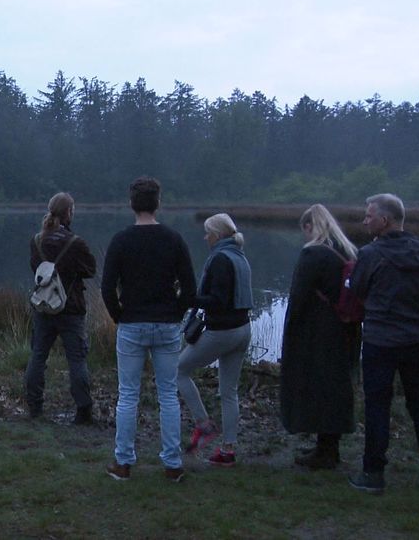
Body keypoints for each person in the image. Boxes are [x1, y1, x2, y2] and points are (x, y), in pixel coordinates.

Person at [347, 193, 419, 496]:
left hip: (380, 342)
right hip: (418, 342)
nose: (365, 220)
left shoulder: (370, 255)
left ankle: (373, 474)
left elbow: (356, 289)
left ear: (385, 220)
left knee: (377, 407)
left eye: (369, 216)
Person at [102, 177, 196, 481]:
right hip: (167, 324)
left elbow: (106, 288)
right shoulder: (174, 239)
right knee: (168, 394)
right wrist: (175, 313)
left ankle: (123, 463)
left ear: (132, 204)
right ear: (157, 203)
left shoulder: (121, 241)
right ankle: (172, 464)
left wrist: (120, 316)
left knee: (127, 395)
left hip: (132, 323)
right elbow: (191, 289)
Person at [279, 204, 361, 469]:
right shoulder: (346, 250)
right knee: (336, 386)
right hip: (345, 328)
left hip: (317, 332)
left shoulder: (313, 254)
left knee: (318, 387)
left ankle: (324, 453)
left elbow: (298, 298)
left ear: (308, 226)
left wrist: (290, 333)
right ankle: (329, 446)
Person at [178, 213, 253, 467]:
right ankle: (228, 450)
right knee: (229, 391)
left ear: (218, 235)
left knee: (179, 369)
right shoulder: (240, 256)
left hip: (222, 331)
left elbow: (218, 301)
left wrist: (188, 299)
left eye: (208, 232)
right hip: (243, 330)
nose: (205, 237)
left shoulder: (220, 259)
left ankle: (203, 424)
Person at [25, 193, 98, 423]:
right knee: (76, 360)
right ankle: (83, 412)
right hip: (71, 308)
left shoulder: (37, 240)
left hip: (43, 307)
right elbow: (91, 270)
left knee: (38, 356)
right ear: (69, 213)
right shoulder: (76, 243)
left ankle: (35, 408)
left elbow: (36, 270)